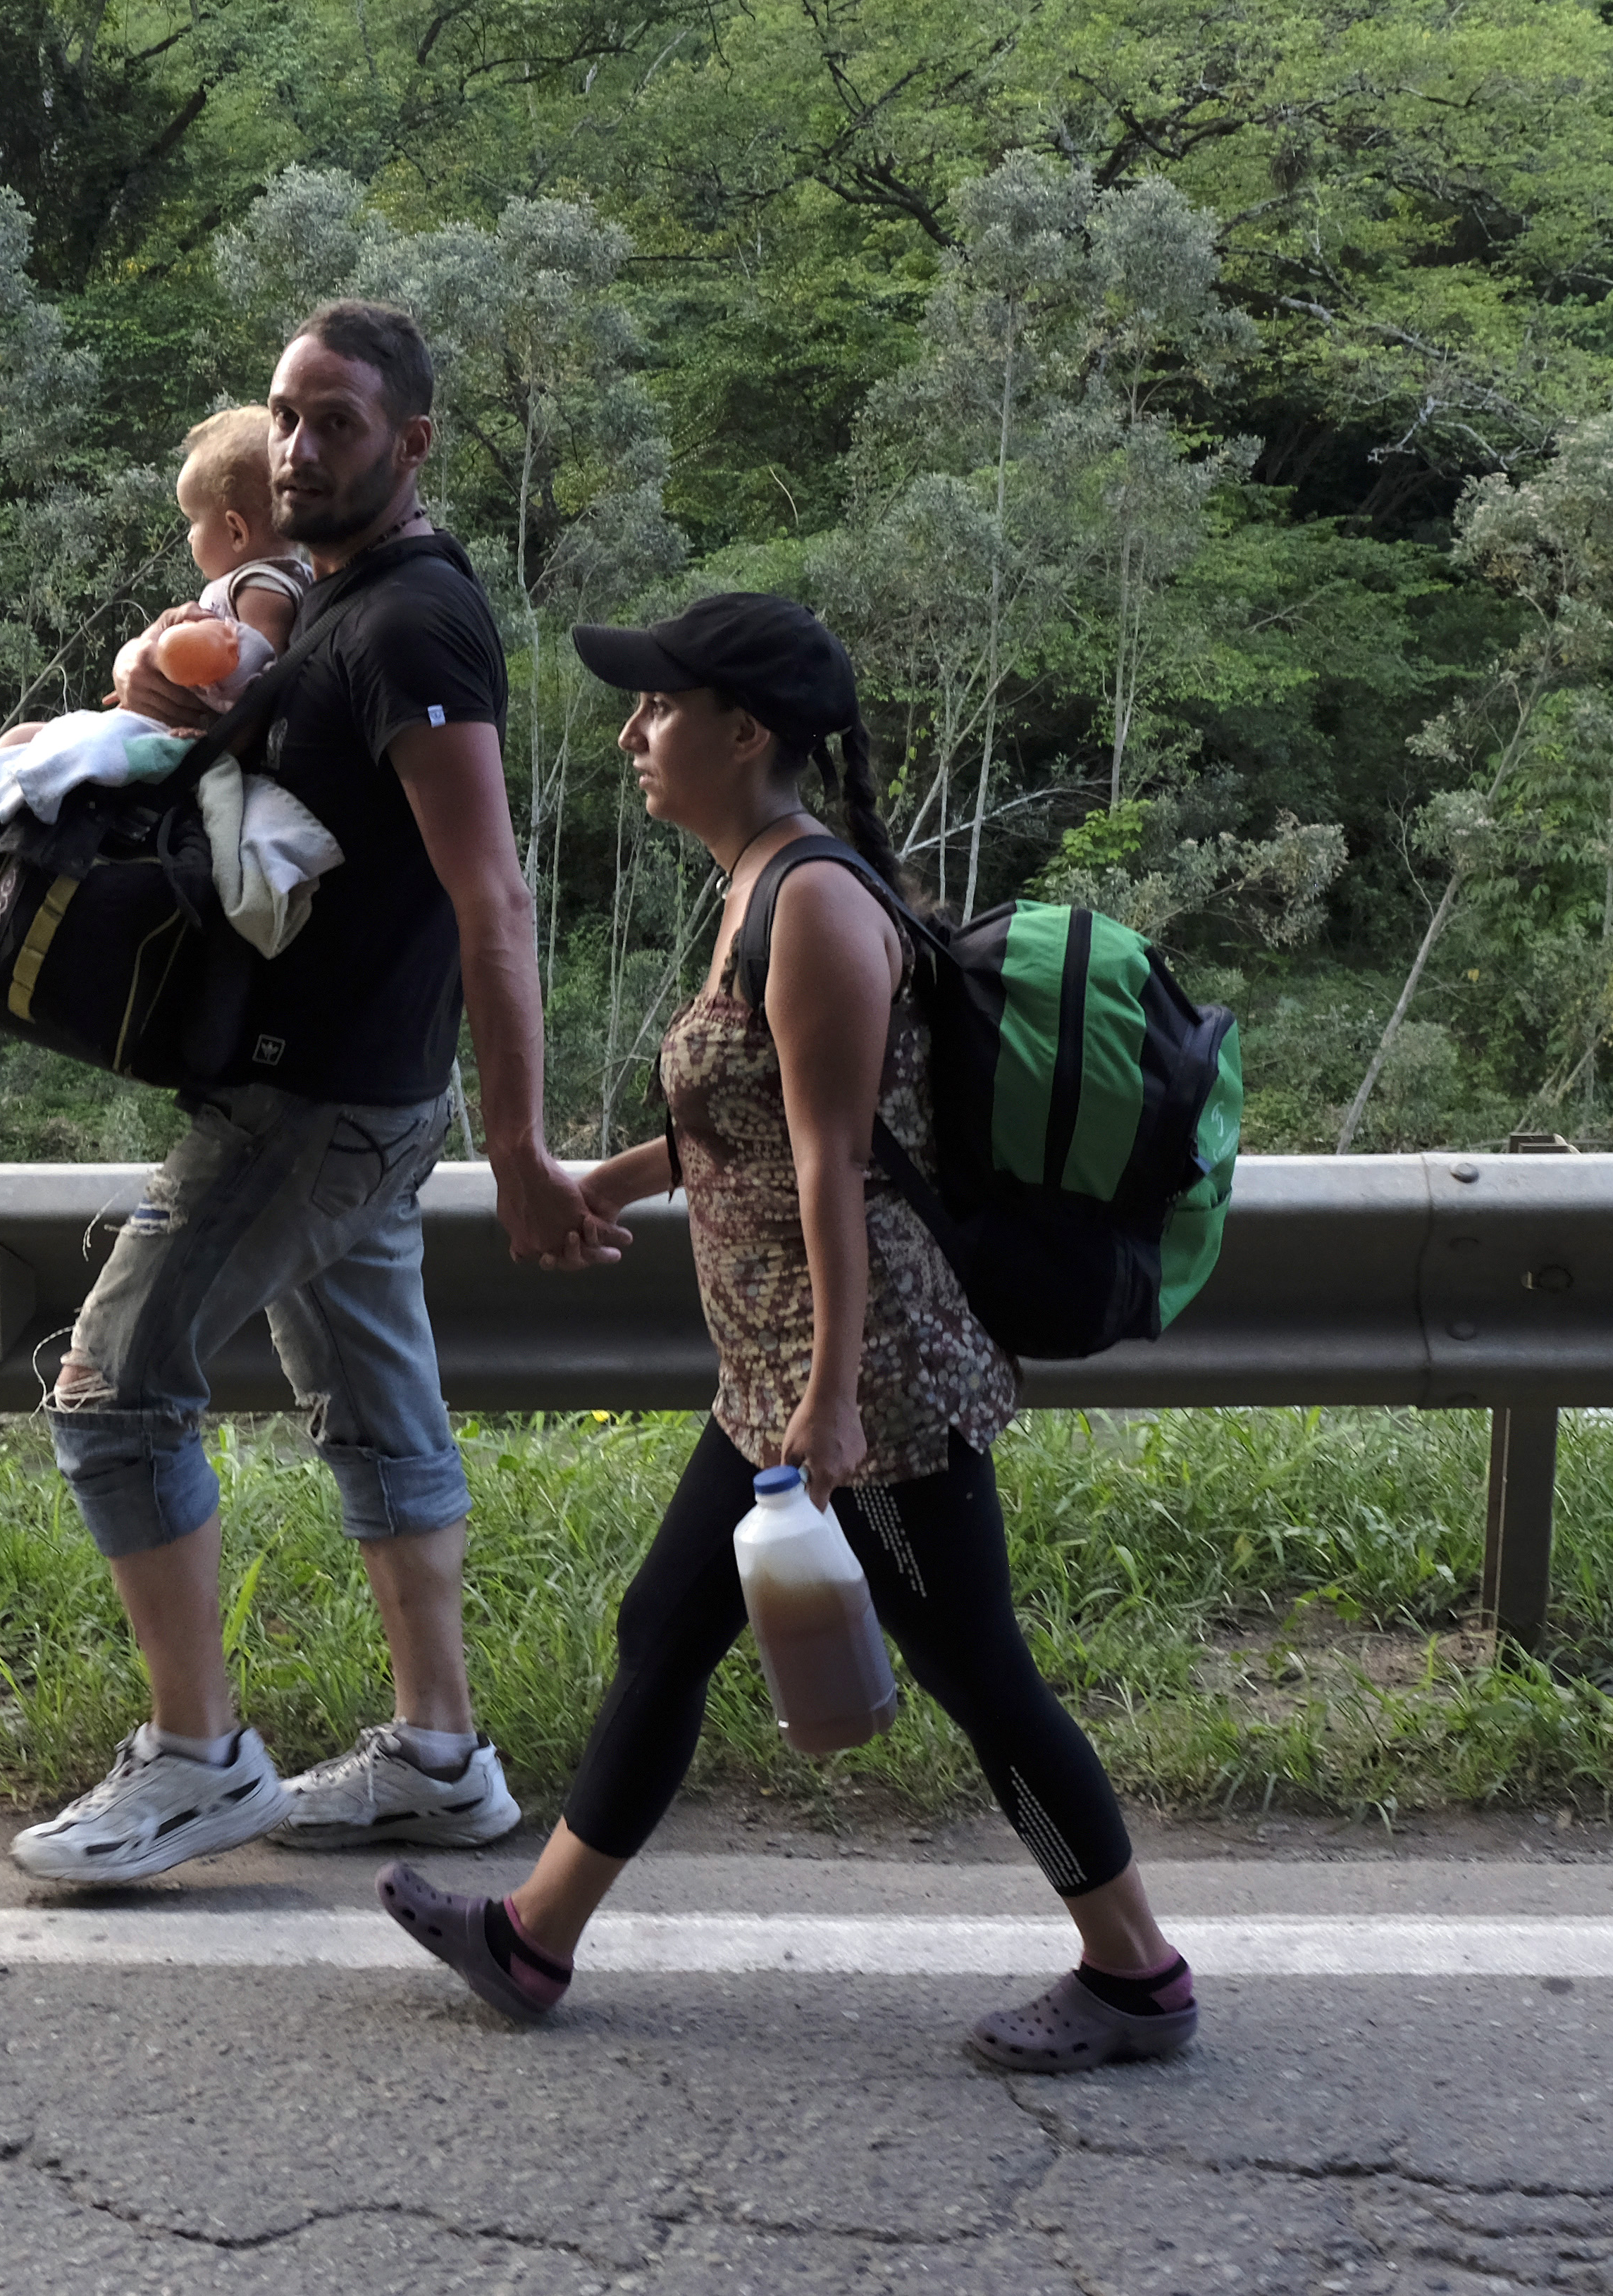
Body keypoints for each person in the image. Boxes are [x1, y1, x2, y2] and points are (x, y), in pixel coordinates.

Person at [373, 592, 1200, 2072]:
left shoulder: (811, 899)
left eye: (658, 708)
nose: (634, 733)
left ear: (742, 731)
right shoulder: (754, 882)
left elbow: (833, 1162)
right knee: (662, 1630)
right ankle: (535, 1936)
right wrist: (590, 1179)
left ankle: (1136, 1968)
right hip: (781, 1370)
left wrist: (829, 1405)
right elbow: (735, 1132)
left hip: (865, 1377)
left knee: (978, 1672)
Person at [6, 299, 630, 1885]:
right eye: (286, 413)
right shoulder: (332, 604)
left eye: (337, 420)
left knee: (114, 1387)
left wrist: (524, 1144)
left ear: (412, 444)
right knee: (377, 1411)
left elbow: (490, 896)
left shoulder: (416, 625)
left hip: (318, 1101)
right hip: (341, 1086)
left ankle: (199, 1758)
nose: (298, 445)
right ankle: (440, 1754)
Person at [0, 407, 311, 896]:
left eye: (191, 523)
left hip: (181, 739)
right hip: (173, 726)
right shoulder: (268, 581)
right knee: (24, 734)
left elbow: (258, 669)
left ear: (236, 530)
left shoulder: (264, 585)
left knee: (28, 740)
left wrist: (174, 660)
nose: (187, 537)